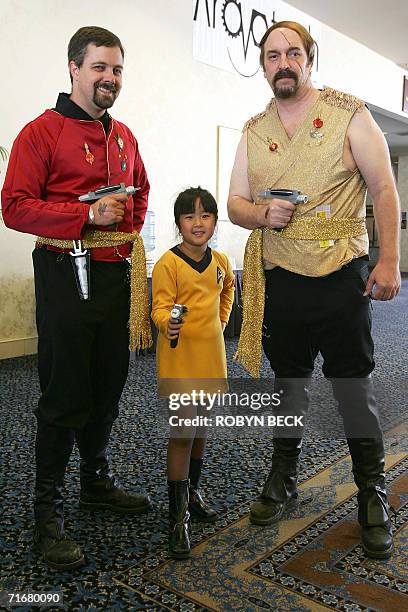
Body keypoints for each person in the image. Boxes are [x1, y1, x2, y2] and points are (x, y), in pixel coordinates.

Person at [228, 21, 401, 560]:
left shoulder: (350, 113)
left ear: (309, 59)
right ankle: (283, 478)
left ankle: (372, 490)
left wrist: (390, 259)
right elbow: (234, 202)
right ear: (264, 66)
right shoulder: (253, 130)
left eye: (294, 53)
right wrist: (259, 213)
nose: (284, 62)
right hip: (282, 278)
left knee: (353, 388)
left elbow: (385, 188)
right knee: (289, 387)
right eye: (273, 54)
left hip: (340, 277)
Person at [1, 26, 153, 570]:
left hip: (116, 274)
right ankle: (48, 510)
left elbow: (141, 191)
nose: (109, 78)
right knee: (65, 390)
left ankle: (95, 481)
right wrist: (84, 216)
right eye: (99, 68)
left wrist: (123, 230)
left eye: (116, 70)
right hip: (64, 271)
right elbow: (14, 207)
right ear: (74, 68)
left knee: (110, 381)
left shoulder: (125, 135)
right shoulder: (39, 133)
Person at [151, 187, 234, 558]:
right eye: (189, 216)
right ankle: (176, 518)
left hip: (211, 358)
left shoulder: (221, 261)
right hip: (179, 359)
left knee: (201, 428)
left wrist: (220, 321)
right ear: (178, 223)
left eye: (205, 215)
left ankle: (193, 494)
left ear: (215, 220)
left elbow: (228, 290)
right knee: (182, 433)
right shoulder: (167, 264)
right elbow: (159, 306)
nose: (198, 223)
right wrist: (165, 322)